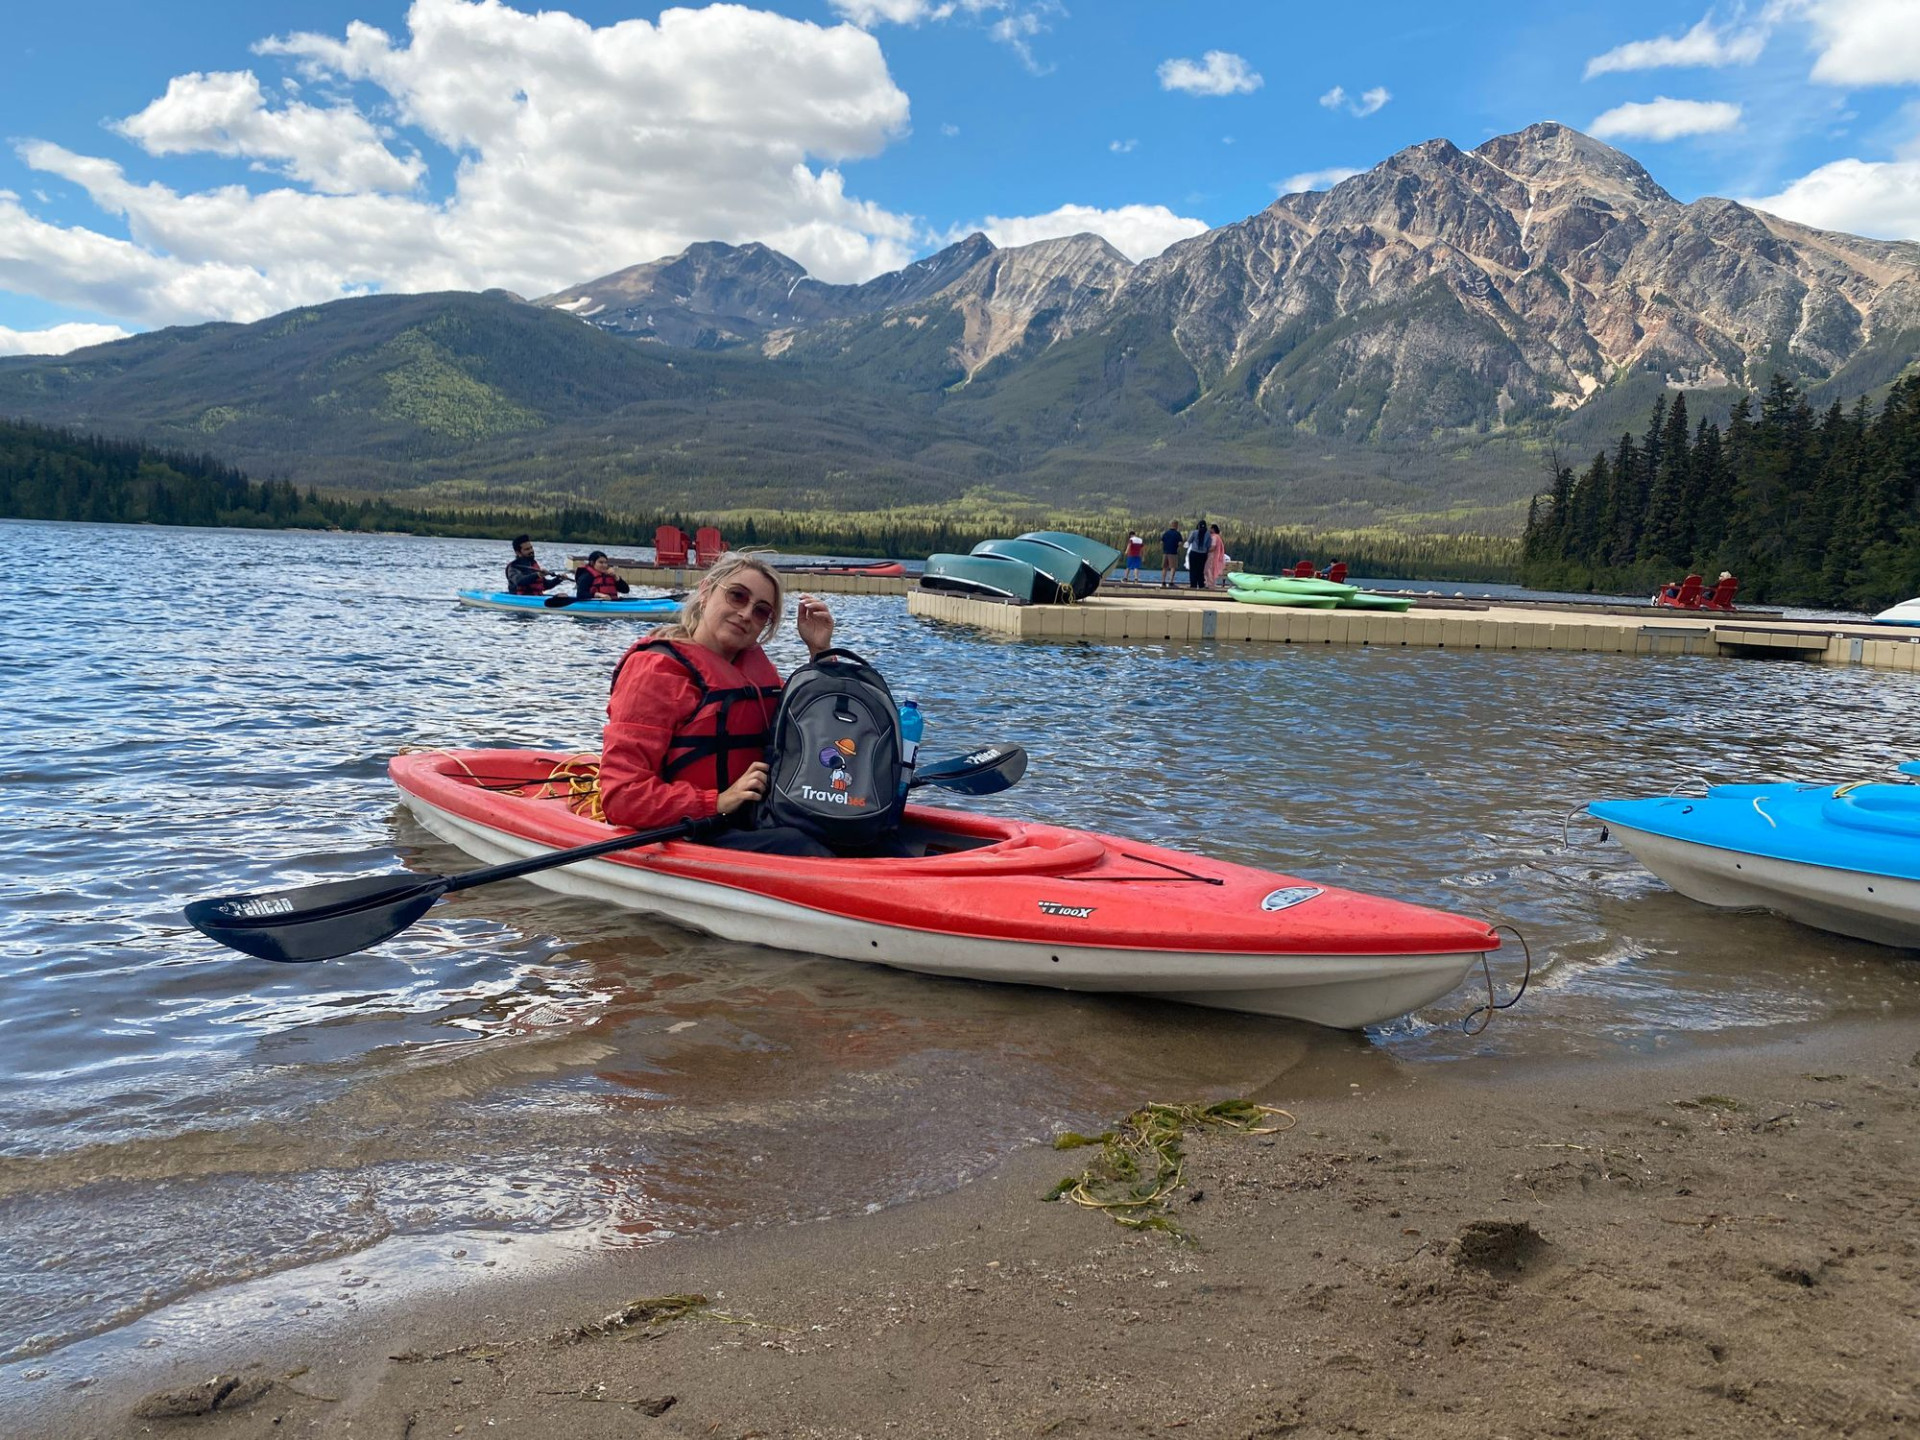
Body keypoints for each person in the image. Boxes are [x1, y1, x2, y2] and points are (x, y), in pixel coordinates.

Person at [599, 552, 837, 855]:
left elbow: (822, 730)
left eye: (762, 611)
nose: (747, 614)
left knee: (859, 832)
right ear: (706, 591)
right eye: (737, 596)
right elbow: (622, 797)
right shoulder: (655, 671)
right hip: (692, 829)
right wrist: (717, 801)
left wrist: (820, 652)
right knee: (802, 846)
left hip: (754, 819)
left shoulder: (755, 673)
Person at [1186, 518, 1212, 591]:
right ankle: (1201, 584)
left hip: (1194, 553)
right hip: (1203, 554)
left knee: (1193, 570)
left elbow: (1189, 541)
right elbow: (1208, 545)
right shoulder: (1208, 534)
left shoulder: (1194, 532)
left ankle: (1193, 585)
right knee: (1200, 570)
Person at [1205, 523, 1228, 589]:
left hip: (1212, 556)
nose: (1209, 529)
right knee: (1211, 570)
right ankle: (1211, 584)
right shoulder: (1218, 537)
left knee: (1209, 570)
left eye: (1211, 528)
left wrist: (1205, 550)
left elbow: (1213, 547)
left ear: (1213, 529)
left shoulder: (1214, 537)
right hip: (1215, 556)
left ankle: (1210, 584)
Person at [1159, 521, 1183, 587]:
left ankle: (1163, 582)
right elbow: (1180, 543)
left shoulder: (1165, 533)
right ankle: (1171, 582)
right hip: (1173, 552)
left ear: (1170, 525)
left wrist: (1164, 547)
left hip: (1165, 552)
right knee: (1173, 567)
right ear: (1176, 525)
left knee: (1164, 567)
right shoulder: (1177, 534)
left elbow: (1161, 542)